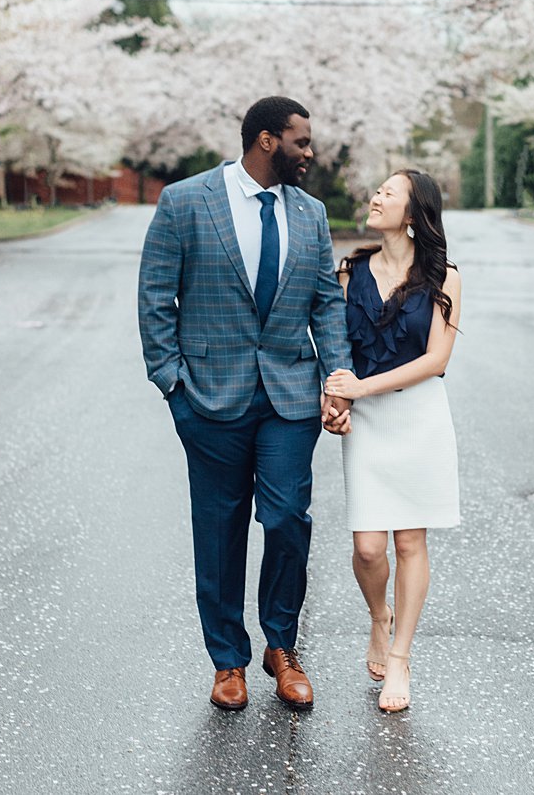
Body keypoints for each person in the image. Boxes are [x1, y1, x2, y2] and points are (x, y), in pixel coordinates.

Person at [138, 96, 353, 712]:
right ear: (266, 140)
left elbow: (325, 304)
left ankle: (281, 647)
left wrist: (336, 378)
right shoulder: (186, 201)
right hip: (207, 398)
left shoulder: (310, 214)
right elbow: (156, 296)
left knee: (288, 520)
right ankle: (227, 659)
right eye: (301, 142)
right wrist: (172, 386)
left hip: (288, 396)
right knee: (220, 528)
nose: (310, 153)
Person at [321, 169, 462, 714]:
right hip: (367, 423)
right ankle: (380, 617)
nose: (375, 197)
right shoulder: (349, 271)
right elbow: (335, 348)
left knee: (409, 543)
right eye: (376, 189)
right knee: (368, 547)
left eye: (389, 193)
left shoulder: (444, 277)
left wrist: (362, 388)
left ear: (414, 213)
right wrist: (334, 399)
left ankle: (400, 657)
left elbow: (436, 360)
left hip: (419, 419)